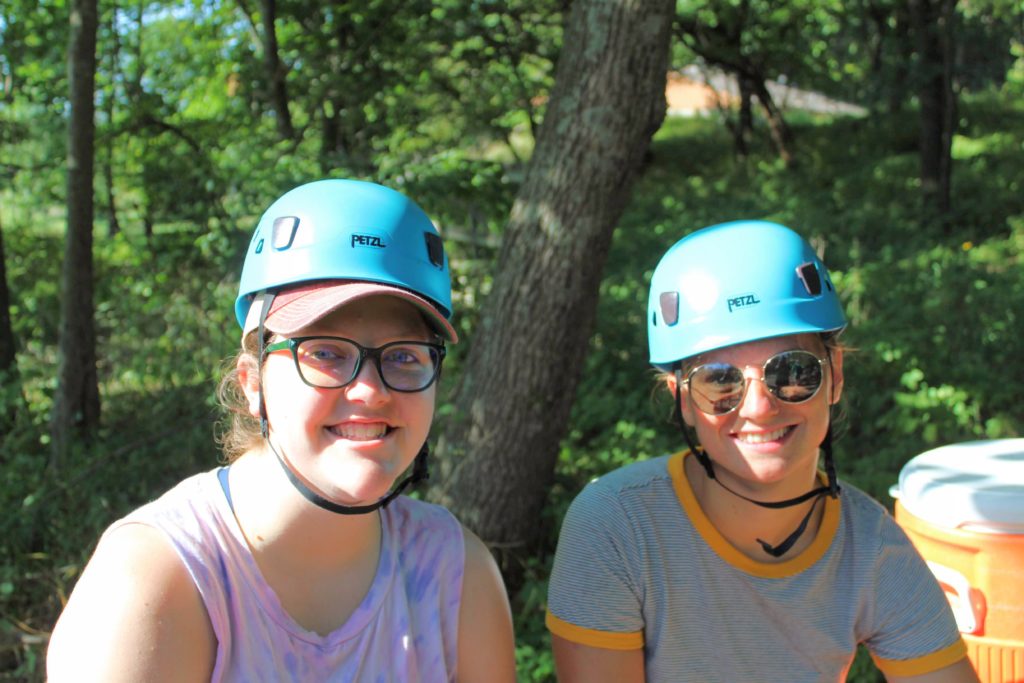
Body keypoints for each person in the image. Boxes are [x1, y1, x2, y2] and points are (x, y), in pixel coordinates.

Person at [47, 179, 516, 682]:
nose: (370, 392)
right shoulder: (153, 586)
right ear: (253, 383)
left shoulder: (454, 575)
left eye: (404, 357)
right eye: (326, 353)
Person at [545, 221, 978, 682]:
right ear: (683, 399)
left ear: (836, 373)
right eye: (719, 380)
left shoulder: (872, 551)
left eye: (793, 370)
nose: (759, 407)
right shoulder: (618, 527)